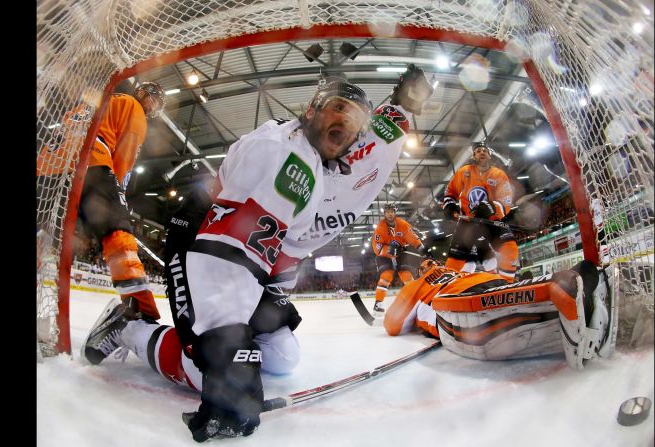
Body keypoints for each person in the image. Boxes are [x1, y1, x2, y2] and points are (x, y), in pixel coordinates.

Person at [82, 66, 433, 441]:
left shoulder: (353, 154)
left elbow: (389, 126)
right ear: (312, 110)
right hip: (198, 241)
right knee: (204, 370)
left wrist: (404, 104)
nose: (346, 120)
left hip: (253, 260)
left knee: (283, 359)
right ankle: (128, 329)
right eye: (337, 107)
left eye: (357, 119)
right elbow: (224, 256)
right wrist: (230, 353)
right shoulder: (285, 157)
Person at [37, 81, 167, 328]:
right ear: (143, 95)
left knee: (44, 230)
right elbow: (124, 160)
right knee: (117, 224)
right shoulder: (134, 110)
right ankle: (140, 305)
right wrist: (118, 193)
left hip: (47, 166)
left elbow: (67, 124)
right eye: (154, 100)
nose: (152, 105)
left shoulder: (101, 98)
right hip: (92, 161)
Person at [383, 258, 616, 371]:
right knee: (518, 295)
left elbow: (393, 325)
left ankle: (567, 294)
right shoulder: (461, 272)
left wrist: (414, 321)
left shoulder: (417, 284)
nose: (430, 266)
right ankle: (574, 284)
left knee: (490, 313)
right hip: (490, 282)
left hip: (456, 300)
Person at [441, 141, 519, 281]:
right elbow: (450, 192)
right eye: (478, 151)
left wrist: (492, 207)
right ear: (473, 156)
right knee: (454, 263)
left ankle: (507, 285)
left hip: (492, 221)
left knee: (510, 249)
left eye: (484, 150)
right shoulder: (463, 172)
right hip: (468, 222)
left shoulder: (498, 174)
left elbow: (506, 200)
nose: (481, 152)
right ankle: (448, 290)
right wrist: (449, 205)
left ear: (489, 155)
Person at [370, 203, 428, 315]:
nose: (390, 214)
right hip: (384, 255)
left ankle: (416, 300)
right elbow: (376, 247)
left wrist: (422, 249)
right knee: (386, 275)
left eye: (392, 211)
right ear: (384, 214)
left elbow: (413, 238)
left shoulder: (403, 224)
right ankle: (378, 304)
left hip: (400, 253)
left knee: (406, 275)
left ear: (395, 213)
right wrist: (389, 250)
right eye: (387, 212)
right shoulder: (380, 228)